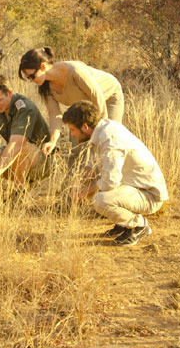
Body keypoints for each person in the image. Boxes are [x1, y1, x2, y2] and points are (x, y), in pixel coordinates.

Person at [62, 100, 168, 246]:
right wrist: (78, 184)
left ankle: (138, 225)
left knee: (100, 199)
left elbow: (110, 182)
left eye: (73, 130)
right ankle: (123, 224)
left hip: (149, 195)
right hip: (133, 188)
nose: (72, 135)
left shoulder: (109, 140)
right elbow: (91, 166)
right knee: (98, 192)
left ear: (85, 127)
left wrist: (84, 192)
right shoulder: (101, 131)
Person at [18, 47, 124, 157]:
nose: (30, 81)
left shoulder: (74, 70)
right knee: (77, 148)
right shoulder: (45, 86)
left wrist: (100, 129)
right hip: (84, 107)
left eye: (32, 76)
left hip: (108, 97)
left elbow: (97, 97)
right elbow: (54, 114)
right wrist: (53, 141)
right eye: (28, 78)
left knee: (108, 140)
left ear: (43, 66)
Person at [0, 74, 51, 192]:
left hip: (42, 162)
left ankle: (19, 191)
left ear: (9, 93)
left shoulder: (24, 108)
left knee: (21, 148)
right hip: (17, 160)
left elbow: (17, 145)